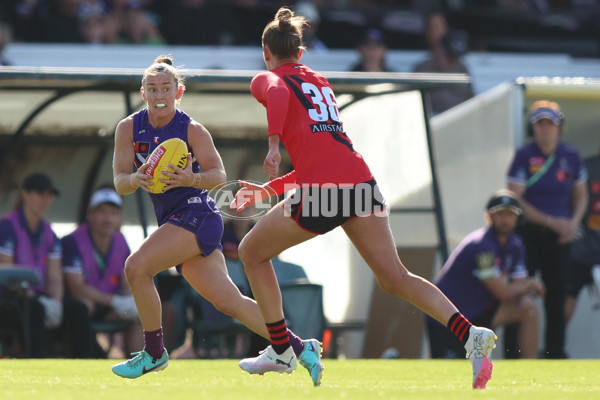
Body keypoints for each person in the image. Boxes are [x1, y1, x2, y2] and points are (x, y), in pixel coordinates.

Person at [230, 7, 497, 389]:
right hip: (360, 183)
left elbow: (273, 90)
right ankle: (470, 334)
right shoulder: (321, 82)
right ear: (302, 54)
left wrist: (273, 145)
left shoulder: (268, 77)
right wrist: (267, 190)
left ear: (266, 52)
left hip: (324, 191)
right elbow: (321, 162)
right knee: (395, 277)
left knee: (252, 253)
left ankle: (281, 349)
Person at [110, 54, 322, 384]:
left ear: (178, 93)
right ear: (143, 93)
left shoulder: (191, 128)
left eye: (166, 88)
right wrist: (138, 177)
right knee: (229, 302)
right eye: (153, 89)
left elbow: (218, 174)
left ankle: (154, 352)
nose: (160, 95)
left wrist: (190, 179)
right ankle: (299, 345)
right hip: (176, 220)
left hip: (197, 214)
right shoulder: (128, 128)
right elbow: (120, 183)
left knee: (136, 267)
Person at [507, 100, 588, 358]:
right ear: (533, 129)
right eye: (539, 125)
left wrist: (572, 224)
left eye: (550, 125)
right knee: (518, 294)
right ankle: (513, 355)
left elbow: (581, 196)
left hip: (560, 239)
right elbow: (515, 198)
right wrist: (551, 221)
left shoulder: (571, 156)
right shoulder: (524, 155)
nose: (545, 130)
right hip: (528, 236)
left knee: (557, 299)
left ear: (559, 127)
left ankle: (555, 356)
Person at [427, 189, 545, 359]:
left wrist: (524, 287)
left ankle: (531, 370)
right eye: (500, 214)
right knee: (450, 374)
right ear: (489, 215)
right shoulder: (481, 245)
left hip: (479, 313)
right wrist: (531, 283)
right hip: (449, 318)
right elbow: (503, 293)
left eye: (510, 214)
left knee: (528, 308)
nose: (505, 219)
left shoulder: (516, 244)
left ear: (518, 218)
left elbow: (519, 288)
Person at [0, 173, 92, 358]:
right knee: (34, 309)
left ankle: (85, 363)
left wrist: (56, 303)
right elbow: (7, 275)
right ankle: (36, 361)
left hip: (39, 299)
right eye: (40, 194)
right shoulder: (7, 226)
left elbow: (55, 278)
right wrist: (41, 301)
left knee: (78, 309)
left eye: (49, 195)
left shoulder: (49, 231)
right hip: (9, 299)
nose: (46, 200)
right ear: (25, 195)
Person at [62, 186, 143, 357]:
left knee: (141, 312)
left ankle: (138, 363)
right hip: (82, 306)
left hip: (108, 307)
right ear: (90, 214)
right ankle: (83, 358)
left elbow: (125, 280)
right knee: (84, 306)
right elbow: (76, 288)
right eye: (102, 212)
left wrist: (130, 299)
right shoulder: (72, 241)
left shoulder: (121, 241)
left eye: (113, 213)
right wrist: (115, 301)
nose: (107, 218)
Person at [412, 12, 474, 114]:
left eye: (438, 26)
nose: (434, 31)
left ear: (446, 29)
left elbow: (472, 102)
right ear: (426, 32)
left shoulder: (461, 68)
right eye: (431, 27)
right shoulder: (420, 69)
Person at [565, 145, 600, 323]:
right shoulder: (584, 167)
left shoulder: (584, 166)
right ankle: (555, 346)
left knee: (568, 297)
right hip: (580, 248)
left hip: (580, 248)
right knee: (567, 298)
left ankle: (555, 346)